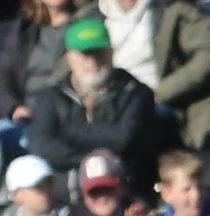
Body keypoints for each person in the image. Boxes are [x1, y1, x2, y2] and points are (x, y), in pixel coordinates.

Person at [91, 0, 210, 150]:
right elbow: (70, 63)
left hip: (161, 102)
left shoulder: (175, 7)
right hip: (107, 102)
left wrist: (160, 92)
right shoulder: (94, 18)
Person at [27, 17, 156, 177]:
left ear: (111, 52)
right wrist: (90, 161)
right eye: (85, 54)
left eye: (99, 53)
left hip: (123, 181)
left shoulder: (136, 93)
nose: (93, 62)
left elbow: (124, 140)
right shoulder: (51, 96)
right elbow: (41, 146)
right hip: (65, 185)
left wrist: (67, 130)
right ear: (69, 57)